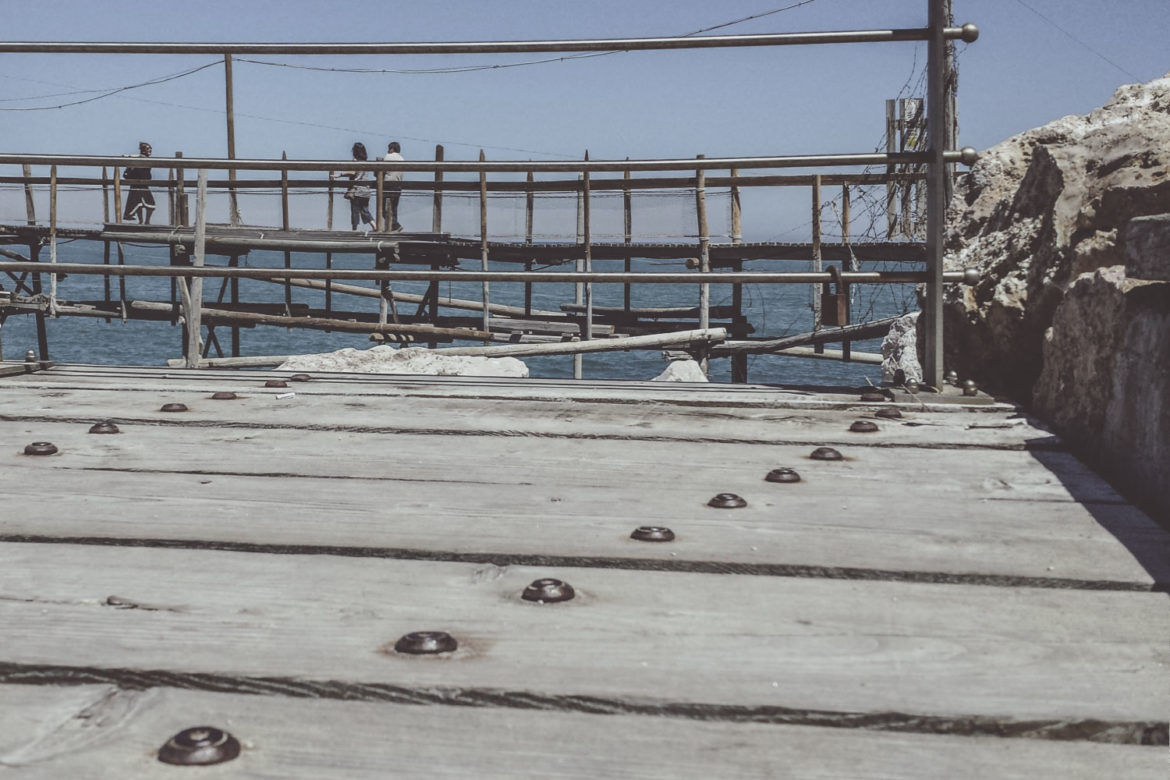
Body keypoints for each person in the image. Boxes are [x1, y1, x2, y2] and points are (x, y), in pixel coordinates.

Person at [330, 142, 376, 232]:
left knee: (355, 211)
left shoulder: (355, 161)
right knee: (365, 211)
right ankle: (375, 226)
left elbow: (352, 172)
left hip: (357, 190)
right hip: (366, 191)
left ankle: (354, 230)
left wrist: (339, 175)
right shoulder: (366, 162)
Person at [122, 141, 156, 224]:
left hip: (144, 185)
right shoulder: (137, 159)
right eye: (148, 148)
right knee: (138, 203)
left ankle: (147, 221)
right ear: (143, 150)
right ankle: (141, 221)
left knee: (150, 204)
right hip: (136, 185)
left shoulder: (145, 159)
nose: (150, 150)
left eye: (150, 148)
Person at [382, 141, 404, 232]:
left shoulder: (388, 156)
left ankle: (395, 225)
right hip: (398, 185)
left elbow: (381, 170)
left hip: (388, 184)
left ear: (392, 149)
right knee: (394, 208)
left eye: (389, 148)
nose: (388, 150)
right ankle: (392, 227)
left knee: (384, 209)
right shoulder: (402, 159)